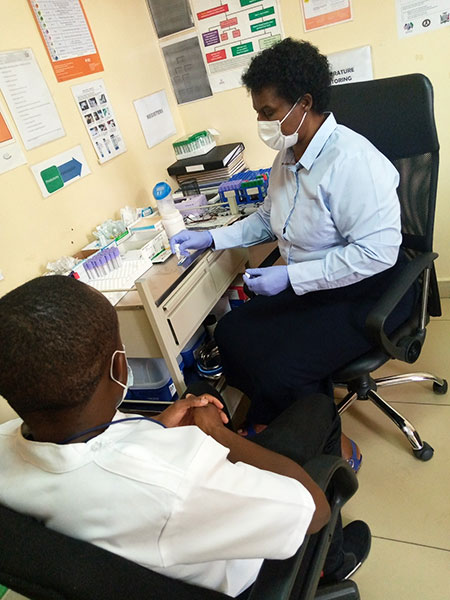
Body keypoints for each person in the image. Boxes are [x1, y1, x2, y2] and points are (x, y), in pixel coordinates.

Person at [0, 275, 370, 597]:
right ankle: (331, 566)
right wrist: (216, 434)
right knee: (318, 410)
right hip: (242, 574)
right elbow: (314, 511)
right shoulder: (177, 481)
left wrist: (157, 425)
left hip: (138, 546)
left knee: (195, 388)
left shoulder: (5, 447)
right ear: (119, 365)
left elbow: (101, 462)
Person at [170, 38, 416, 471]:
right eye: (258, 113)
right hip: (317, 284)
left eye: (268, 111)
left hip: (371, 290)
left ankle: (330, 452)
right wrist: (214, 238)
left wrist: (291, 278)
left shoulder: (353, 162)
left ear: (304, 103)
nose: (263, 122)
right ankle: (277, 424)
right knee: (232, 333)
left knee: (283, 366)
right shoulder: (287, 155)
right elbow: (268, 219)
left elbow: (377, 253)